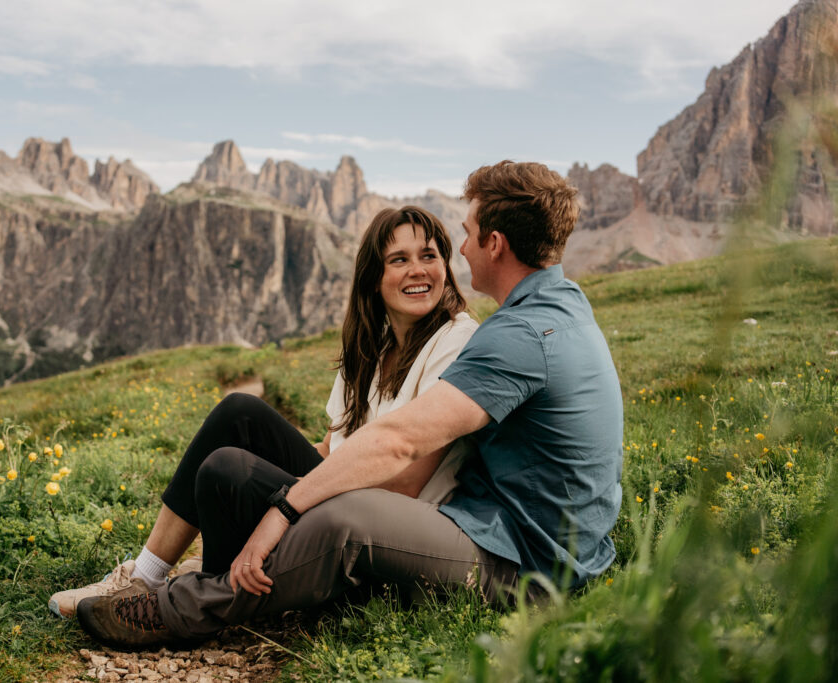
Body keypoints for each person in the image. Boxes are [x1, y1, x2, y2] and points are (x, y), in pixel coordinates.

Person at [75, 161, 623, 651]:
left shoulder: (520, 333)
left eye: (468, 233)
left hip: (525, 566)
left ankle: (181, 609)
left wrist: (282, 509)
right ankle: (174, 578)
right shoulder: (558, 307)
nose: (462, 248)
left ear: (497, 243)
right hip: (519, 538)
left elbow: (401, 445)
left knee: (346, 519)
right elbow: (352, 441)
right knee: (240, 433)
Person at [48, 205, 477, 618]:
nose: (418, 270)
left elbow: (407, 482)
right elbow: (330, 450)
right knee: (225, 462)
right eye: (398, 259)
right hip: (342, 498)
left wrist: (284, 501)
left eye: (429, 255)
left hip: (382, 527)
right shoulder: (372, 350)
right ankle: (166, 578)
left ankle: (169, 581)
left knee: (240, 421)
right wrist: (261, 468)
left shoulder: (456, 338)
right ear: (374, 277)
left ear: (445, 267)